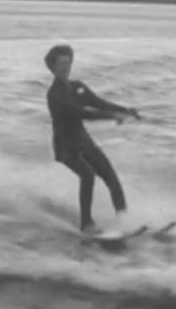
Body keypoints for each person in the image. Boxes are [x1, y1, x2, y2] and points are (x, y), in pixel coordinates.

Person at [44, 44, 141, 233]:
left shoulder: (77, 87)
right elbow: (80, 113)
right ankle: (86, 224)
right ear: (53, 67)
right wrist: (112, 117)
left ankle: (124, 221)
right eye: (62, 63)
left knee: (110, 176)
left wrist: (125, 110)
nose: (67, 67)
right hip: (65, 146)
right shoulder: (54, 94)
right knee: (87, 175)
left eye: (69, 62)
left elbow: (98, 103)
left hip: (82, 140)